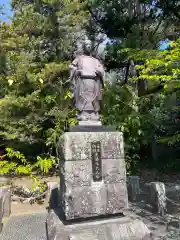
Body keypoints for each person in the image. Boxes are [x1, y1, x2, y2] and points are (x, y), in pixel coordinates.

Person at [69, 41, 105, 121]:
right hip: (82, 82)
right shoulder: (79, 59)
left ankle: (94, 113)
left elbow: (101, 69)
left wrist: (99, 71)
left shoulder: (95, 60)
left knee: (94, 96)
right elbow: (72, 67)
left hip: (94, 82)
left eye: (89, 45)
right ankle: (83, 113)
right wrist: (77, 71)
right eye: (87, 45)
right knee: (83, 96)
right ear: (84, 47)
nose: (88, 46)